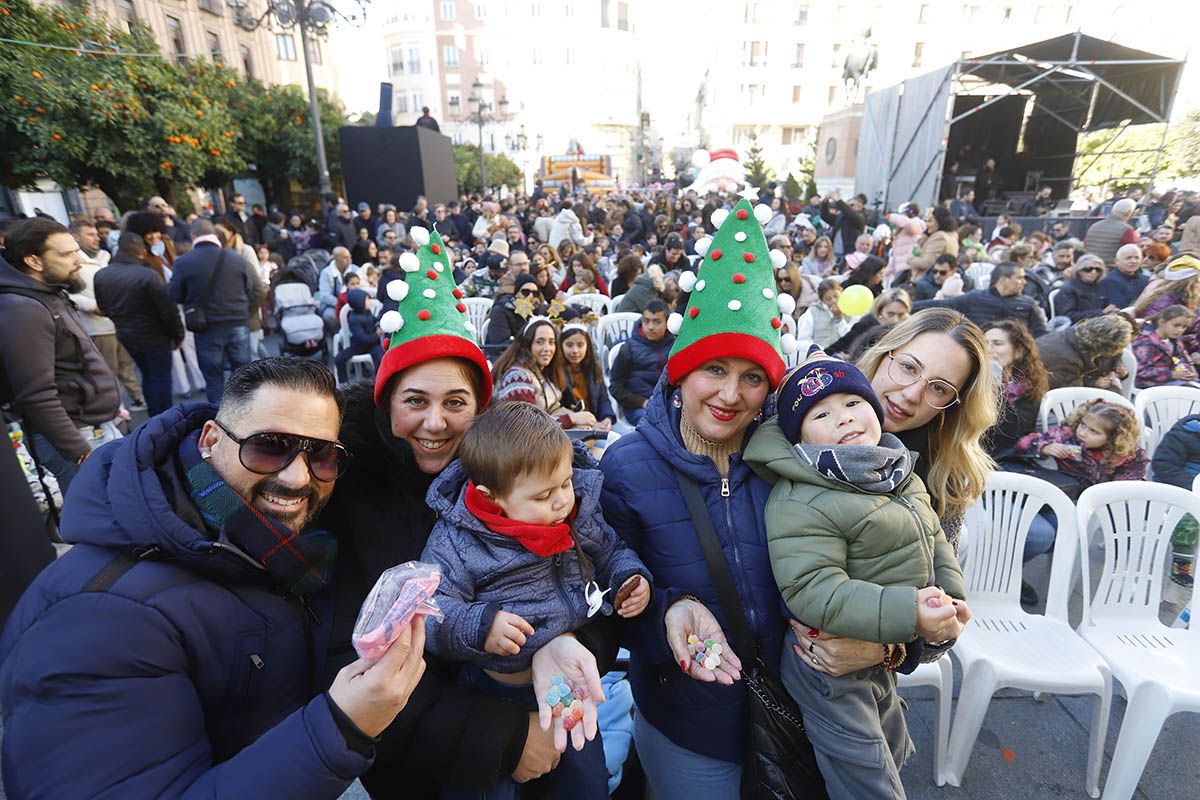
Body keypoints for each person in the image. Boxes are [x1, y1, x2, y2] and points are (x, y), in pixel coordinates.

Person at [599, 201, 974, 798]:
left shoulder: (804, 454)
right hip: (693, 718)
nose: (730, 393)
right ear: (679, 372)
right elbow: (612, 589)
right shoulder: (627, 466)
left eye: (752, 377)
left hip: (806, 703)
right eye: (712, 369)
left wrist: (891, 645)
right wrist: (665, 611)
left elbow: (910, 581)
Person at [0, 358, 427, 798]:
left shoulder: (275, 544)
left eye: (322, 454)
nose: (297, 477)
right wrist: (342, 728)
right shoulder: (101, 619)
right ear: (210, 440)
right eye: (269, 445)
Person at [322, 231, 625, 797]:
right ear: (388, 405)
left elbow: (596, 587)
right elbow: (351, 658)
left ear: (480, 409)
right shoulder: (350, 492)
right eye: (416, 401)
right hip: (428, 756)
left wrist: (557, 648)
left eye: (455, 403)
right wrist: (506, 738)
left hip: (541, 708)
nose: (436, 423)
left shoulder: (530, 482)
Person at [745, 347, 969, 799]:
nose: (844, 419)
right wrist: (911, 611)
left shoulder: (897, 469)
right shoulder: (803, 496)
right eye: (822, 414)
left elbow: (935, 542)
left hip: (885, 642)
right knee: (864, 773)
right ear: (800, 438)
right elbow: (813, 589)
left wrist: (949, 596)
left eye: (852, 404)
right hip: (827, 663)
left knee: (892, 743)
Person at [420, 402, 651, 800]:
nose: (563, 500)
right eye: (545, 495)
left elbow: (611, 550)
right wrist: (480, 624)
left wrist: (629, 577)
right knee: (486, 782)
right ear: (493, 497)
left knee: (584, 774)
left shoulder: (575, 514)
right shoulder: (457, 540)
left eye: (564, 482)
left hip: (565, 680)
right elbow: (428, 609)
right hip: (490, 688)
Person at [0, 217, 122, 494]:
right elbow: (35, 394)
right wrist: (79, 451)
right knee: (104, 523)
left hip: (93, 427)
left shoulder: (47, 293)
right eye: (66, 254)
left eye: (75, 250)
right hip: (80, 436)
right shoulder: (24, 308)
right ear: (34, 261)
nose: (77, 259)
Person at [95, 233, 186, 417]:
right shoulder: (148, 275)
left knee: (148, 374)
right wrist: (177, 335)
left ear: (119, 249)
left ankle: (156, 416)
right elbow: (168, 311)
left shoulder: (102, 275)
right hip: (154, 335)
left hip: (127, 334)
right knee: (160, 377)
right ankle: (164, 419)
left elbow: (103, 308)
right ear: (143, 252)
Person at [168, 219, 258, 405]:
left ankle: (219, 419)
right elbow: (250, 288)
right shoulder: (237, 259)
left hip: (206, 327)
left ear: (193, 236)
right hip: (237, 322)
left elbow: (175, 295)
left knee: (214, 379)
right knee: (245, 376)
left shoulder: (182, 263)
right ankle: (248, 415)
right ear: (216, 235)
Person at [68, 218, 145, 410]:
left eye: (96, 234)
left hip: (119, 323)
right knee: (108, 370)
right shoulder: (75, 263)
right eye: (91, 234)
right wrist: (93, 306)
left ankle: (137, 398)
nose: (97, 237)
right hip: (98, 326)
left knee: (127, 366)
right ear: (76, 237)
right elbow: (69, 295)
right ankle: (117, 407)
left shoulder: (105, 257)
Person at [1015, 398, 1148, 486]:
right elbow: (1024, 442)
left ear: (1113, 437)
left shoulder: (1124, 453)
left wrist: (1116, 487)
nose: (1083, 433)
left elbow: (1135, 469)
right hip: (1069, 491)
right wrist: (1045, 447)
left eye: (1093, 431)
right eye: (1083, 425)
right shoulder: (1067, 436)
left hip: (1104, 498)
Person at [492, 318, 596, 429]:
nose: (547, 348)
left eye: (551, 342)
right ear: (527, 344)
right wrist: (571, 419)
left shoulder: (543, 371)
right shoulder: (517, 377)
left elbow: (552, 410)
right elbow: (525, 425)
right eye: (539, 342)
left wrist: (574, 414)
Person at [918, 262, 1048, 337]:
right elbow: (941, 305)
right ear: (1003, 280)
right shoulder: (976, 298)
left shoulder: (1028, 304)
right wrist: (908, 306)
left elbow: (1041, 333)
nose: (1024, 282)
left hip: (1017, 358)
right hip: (981, 352)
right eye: (1019, 278)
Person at [984, 319, 1049, 457]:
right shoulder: (970, 381)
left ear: (1018, 351)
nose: (988, 350)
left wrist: (996, 387)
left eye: (997, 343)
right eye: (984, 343)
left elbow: (1013, 433)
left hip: (1010, 456)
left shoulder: (1028, 387)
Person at [1149, 416, 1200, 588]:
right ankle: (1181, 563)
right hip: (1174, 490)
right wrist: (1193, 485)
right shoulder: (1184, 434)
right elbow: (1163, 465)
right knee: (1189, 518)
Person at [608, 301, 675, 426]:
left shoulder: (674, 346)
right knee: (658, 424)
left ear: (667, 323)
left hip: (668, 403)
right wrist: (642, 402)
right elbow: (615, 387)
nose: (650, 327)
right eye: (646, 321)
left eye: (657, 322)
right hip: (638, 407)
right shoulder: (629, 348)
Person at [1036, 313, 1134, 391]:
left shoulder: (1073, 336)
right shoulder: (1069, 360)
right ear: (1105, 351)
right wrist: (1112, 387)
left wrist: (1118, 365)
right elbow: (1073, 398)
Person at [826, 287, 912, 358]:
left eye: (901, 315)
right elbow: (839, 346)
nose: (895, 320)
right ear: (880, 312)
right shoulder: (864, 326)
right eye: (890, 314)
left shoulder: (910, 329)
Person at [560, 326, 616, 431]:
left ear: (588, 346)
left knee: (624, 438)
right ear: (561, 346)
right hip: (575, 427)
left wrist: (607, 418)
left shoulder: (593, 368)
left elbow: (603, 399)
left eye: (580, 345)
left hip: (597, 421)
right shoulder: (558, 372)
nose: (575, 351)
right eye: (569, 345)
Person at [1132, 305, 1198, 388]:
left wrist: (1189, 372)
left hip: (1174, 381)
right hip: (1151, 385)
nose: (1180, 330)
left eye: (1184, 327)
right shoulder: (1146, 342)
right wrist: (1171, 375)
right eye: (1176, 325)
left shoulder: (1175, 341)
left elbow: (1183, 359)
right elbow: (1141, 370)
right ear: (1161, 322)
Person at [484, 274, 545, 359]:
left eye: (535, 293)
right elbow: (499, 343)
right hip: (503, 357)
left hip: (532, 355)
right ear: (517, 293)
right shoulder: (501, 310)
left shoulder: (538, 309)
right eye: (525, 292)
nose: (531, 297)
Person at [334, 288, 383, 383]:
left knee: (380, 356)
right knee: (339, 358)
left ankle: (379, 381)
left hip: (373, 345)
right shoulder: (354, 319)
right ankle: (343, 383)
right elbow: (361, 338)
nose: (370, 302)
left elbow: (374, 320)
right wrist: (376, 336)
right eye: (367, 300)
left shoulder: (367, 312)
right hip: (360, 346)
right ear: (359, 303)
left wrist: (381, 321)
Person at [1054, 254, 1114, 322]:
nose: (1094, 272)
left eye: (1098, 269)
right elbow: (1067, 316)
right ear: (1079, 270)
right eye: (1088, 269)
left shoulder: (1101, 286)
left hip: (1099, 324)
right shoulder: (1068, 289)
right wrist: (1100, 312)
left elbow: (1107, 306)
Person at [795, 278, 852, 349]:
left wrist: (839, 319)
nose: (833, 301)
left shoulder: (850, 308)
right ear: (822, 300)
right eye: (828, 299)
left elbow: (851, 337)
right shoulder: (813, 311)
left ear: (841, 292)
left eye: (836, 296)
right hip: (821, 353)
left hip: (844, 353)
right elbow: (804, 339)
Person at [1083, 198, 1140, 267]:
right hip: (1111, 269)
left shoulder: (1094, 226)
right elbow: (1135, 251)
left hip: (1089, 266)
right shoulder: (1126, 229)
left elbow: (1085, 245)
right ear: (1129, 213)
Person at [317, 246, 360, 331]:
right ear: (336, 259)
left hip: (354, 304)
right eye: (345, 258)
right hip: (333, 305)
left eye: (350, 257)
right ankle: (336, 335)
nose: (349, 260)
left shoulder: (356, 269)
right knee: (329, 315)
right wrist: (341, 303)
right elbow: (325, 296)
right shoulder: (326, 273)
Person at [907, 207, 959, 274]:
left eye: (930, 221)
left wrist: (910, 258)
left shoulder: (939, 237)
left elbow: (926, 263)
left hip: (925, 280)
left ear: (939, 222)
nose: (926, 224)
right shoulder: (951, 236)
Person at [1101, 244, 1150, 309]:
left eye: (1137, 258)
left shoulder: (1146, 280)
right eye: (1128, 258)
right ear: (1117, 261)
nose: (1133, 261)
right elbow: (1118, 306)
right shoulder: (1109, 281)